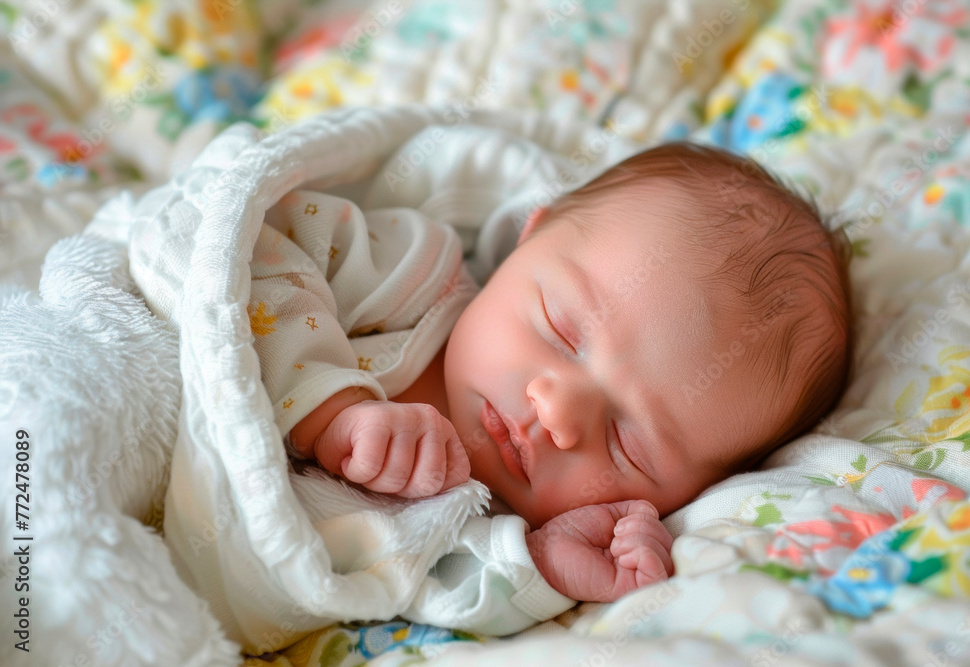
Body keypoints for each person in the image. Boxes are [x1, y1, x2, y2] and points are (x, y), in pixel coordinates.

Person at [250, 132, 852, 612]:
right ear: (528, 239)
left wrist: (541, 562)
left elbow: (410, 593)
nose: (557, 414)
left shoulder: (492, 527)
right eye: (561, 332)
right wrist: (331, 408)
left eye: (628, 443)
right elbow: (262, 247)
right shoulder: (405, 273)